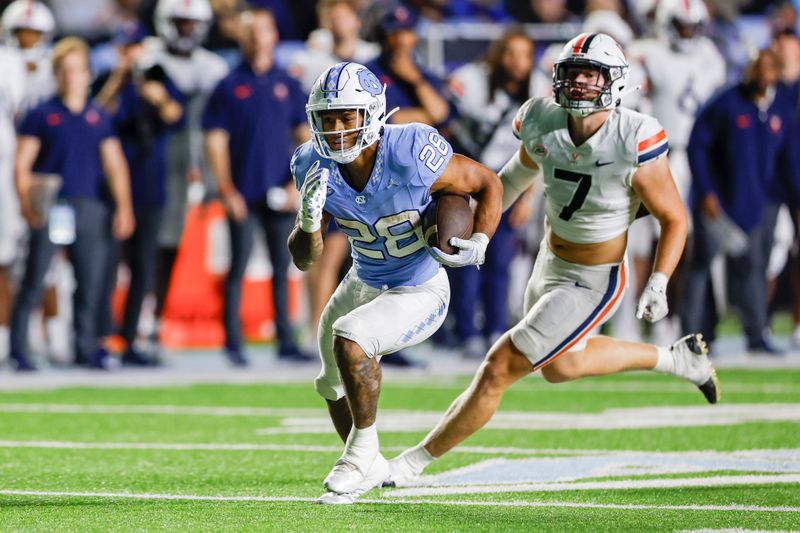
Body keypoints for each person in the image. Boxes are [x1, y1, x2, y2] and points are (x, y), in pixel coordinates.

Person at [385, 32, 720, 488]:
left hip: (593, 278)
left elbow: (674, 218)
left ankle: (410, 464)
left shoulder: (634, 136)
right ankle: (677, 360)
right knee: (562, 366)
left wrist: (658, 280)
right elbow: (509, 182)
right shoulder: (542, 119)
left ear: (615, 82)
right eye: (573, 72)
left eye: (591, 74)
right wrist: (480, 231)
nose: (580, 82)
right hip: (550, 260)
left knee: (498, 367)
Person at [287, 62, 503, 503]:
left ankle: (358, 458)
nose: (335, 129)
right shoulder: (312, 162)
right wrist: (308, 221)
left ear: (371, 114)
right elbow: (305, 260)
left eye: (346, 117)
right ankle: (369, 463)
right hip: (364, 278)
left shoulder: (409, 148)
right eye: (327, 119)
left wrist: (481, 238)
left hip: (420, 286)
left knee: (352, 338)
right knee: (329, 384)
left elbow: (487, 181)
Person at [10, 37, 135, 371]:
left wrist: (124, 206)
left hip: (89, 204)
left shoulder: (97, 116)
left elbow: (114, 164)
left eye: (77, 71)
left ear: (86, 74)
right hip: (52, 204)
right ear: (57, 75)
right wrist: (26, 203)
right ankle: (18, 349)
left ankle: (86, 347)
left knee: (91, 281)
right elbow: (22, 163)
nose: (72, 78)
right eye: (65, 71)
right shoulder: (41, 114)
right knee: (35, 277)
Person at [203, 7, 311, 366]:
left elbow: (304, 136)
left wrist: (298, 184)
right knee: (238, 266)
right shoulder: (229, 84)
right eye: (249, 32)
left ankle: (286, 340)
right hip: (244, 192)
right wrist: (226, 188)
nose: (255, 38)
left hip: (280, 191)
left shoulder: (287, 83)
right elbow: (215, 140)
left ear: (273, 36)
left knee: (283, 267)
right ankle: (233, 343)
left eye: (261, 31)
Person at [683, 49, 796, 355]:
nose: (763, 77)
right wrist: (706, 191)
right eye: (758, 70)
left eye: (770, 70)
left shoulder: (779, 110)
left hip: (758, 203)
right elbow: (697, 147)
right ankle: (693, 334)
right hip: (718, 202)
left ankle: (756, 334)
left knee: (754, 269)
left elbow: (787, 159)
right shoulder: (726, 104)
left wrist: (794, 198)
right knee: (701, 268)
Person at [94, 23, 184, 365]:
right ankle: (100, 338)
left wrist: (158, 99)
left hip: (149, 187)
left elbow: (176, 115)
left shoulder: (158, 74)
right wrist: (118, 80)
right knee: (107, 266)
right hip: (113, 189)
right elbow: (95, 114)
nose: (131, 54)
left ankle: (130, 340)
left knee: (143, 268)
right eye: (126, 47)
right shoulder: (109, 78)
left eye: (135, 46)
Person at [144, 0, 228, 352]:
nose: (186, 31)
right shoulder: (149, 59)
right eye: (180, 23)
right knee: (155, 243)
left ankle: (160, 321)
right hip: (157, 164)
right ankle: (147, 318)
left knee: (205, 251)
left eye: (191, 24)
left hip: (201, 164)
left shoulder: (213, 67)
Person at [446, 27, 536, 358]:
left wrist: (528, 195)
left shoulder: (536, 90)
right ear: (499, 54)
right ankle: (466, 330)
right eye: (511, 53)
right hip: (468, 181)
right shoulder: (471, 80)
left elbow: (536, 150)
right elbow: (447, 125)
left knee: (500, 262)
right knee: (466, 259)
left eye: (525, 55)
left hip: (506, 182)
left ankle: (496, 328)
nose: (517, 62)